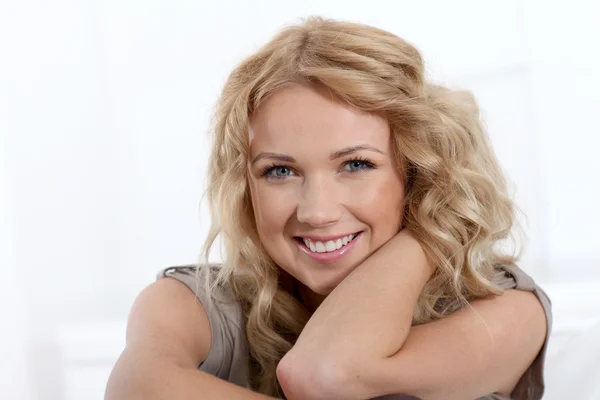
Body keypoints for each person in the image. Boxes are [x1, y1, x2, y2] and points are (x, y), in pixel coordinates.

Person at [105, 16, 551, 400]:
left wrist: (434, 226)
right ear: (246, 186)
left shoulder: (504, 312)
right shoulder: (190, 304)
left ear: (418, 173)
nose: (317, 212)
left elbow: (325, 374)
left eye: (356, 165)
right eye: (280, 171)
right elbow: (135, 389)